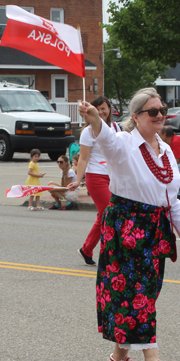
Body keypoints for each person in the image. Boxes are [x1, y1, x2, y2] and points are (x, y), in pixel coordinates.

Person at [78, 88, 180, 361]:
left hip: (155, 229)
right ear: (136, 117)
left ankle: (119, 358)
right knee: (137, 295)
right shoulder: (123, 144)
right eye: (153, 111)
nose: (160, 116)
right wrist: (95, 119)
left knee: (146, 293)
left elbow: (171, 197)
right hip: (127, 228)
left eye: (162, 109)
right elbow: (105, 138)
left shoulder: (166, 150)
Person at [68, 96, 121, 265]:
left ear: (109, 109)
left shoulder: (115, 127)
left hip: (114, 177)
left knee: (104, 216)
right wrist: (77, 180)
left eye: (104, 108)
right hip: (96, 177)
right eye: (97, 108)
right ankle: (111, 254)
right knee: (110, 214)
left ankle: (87, 249)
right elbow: (83, 159)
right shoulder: (87, 132)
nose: (101, 112)